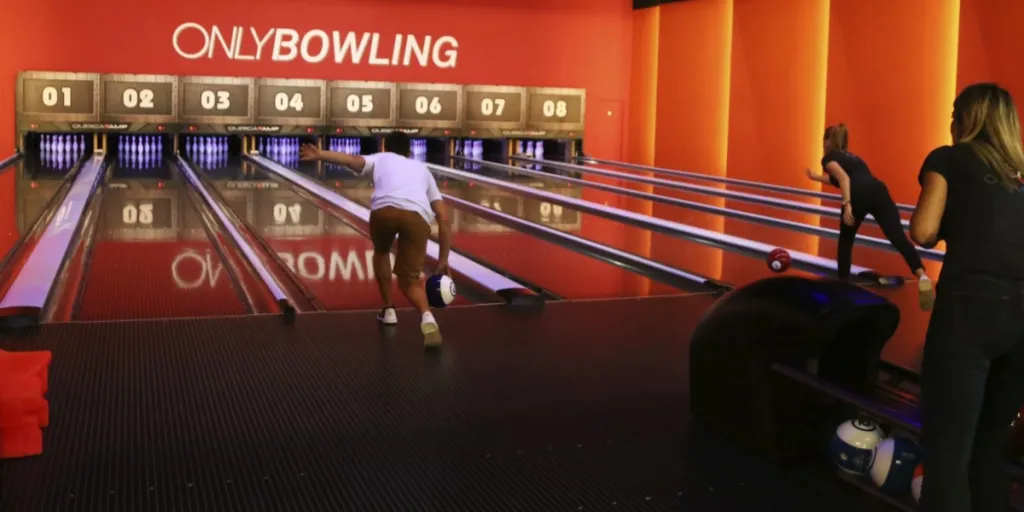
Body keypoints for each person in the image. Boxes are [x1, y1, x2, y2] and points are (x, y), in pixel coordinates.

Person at [911, 83, 1024, 512]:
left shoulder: (948, 157)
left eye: (954, 111)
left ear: (966, 118)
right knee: (990, 452)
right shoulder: (1022, 172)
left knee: (947, 456)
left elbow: (922, 231)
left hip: (971, 311)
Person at [299, 132, 451, 347]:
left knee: (381, 251)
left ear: (384, 147)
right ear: (410, 150)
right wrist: (443, 259)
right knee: (409, 281)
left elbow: (351, 160)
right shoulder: (422, 170)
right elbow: (444, 219)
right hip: (416, 217)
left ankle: (388, 310)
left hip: (384, 211)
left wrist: (320, 153)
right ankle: (427, 316)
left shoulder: (380, 158)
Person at [804, 123, 934, 309]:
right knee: (897, 236)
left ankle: (843, 285)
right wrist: (815, 178)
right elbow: (838, 179)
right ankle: (922, 275)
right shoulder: (853, 158)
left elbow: (843, 179)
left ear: (827, 141)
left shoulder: (829, 158)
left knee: (846, 240)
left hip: (858, 195)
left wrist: (847, 204)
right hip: (878, 190)